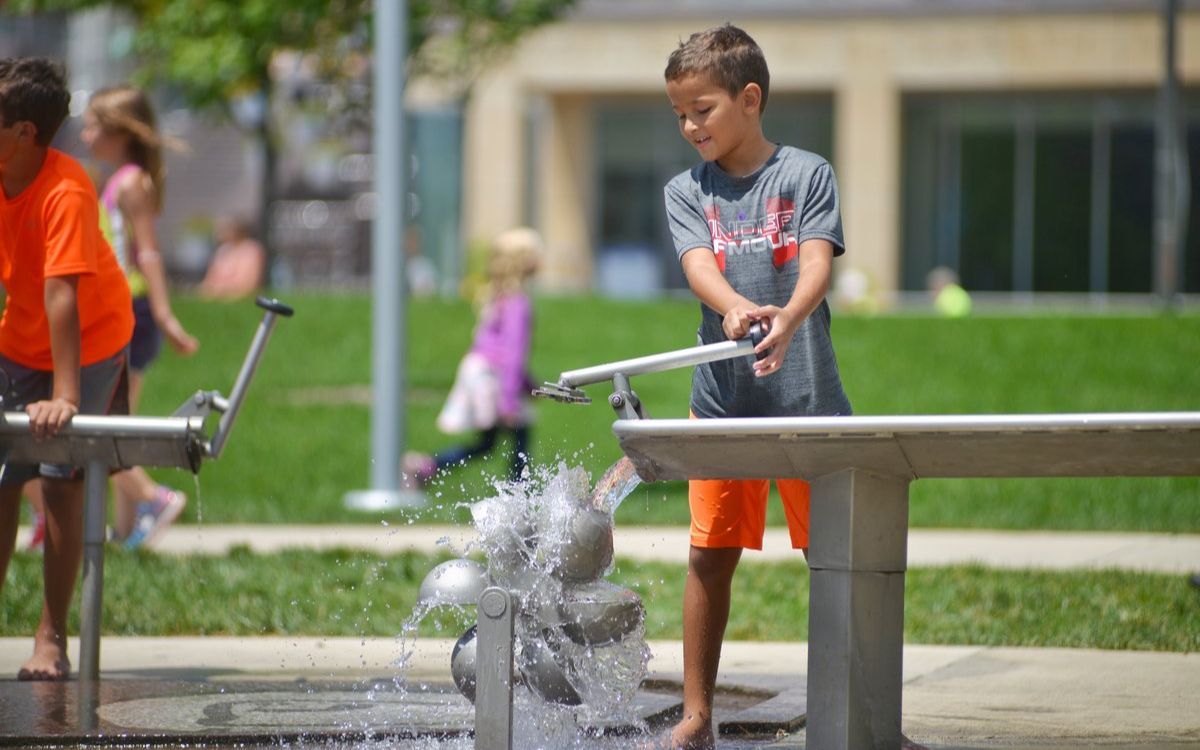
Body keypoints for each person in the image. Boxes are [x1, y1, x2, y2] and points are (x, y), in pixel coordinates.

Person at [662, 26, 855, 748]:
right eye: (680, 114)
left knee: (838, 561)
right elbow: (697, 264)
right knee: (710, 555)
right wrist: (732, 307)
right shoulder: (686, 190)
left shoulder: (806, 174)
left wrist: (788, 317)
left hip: (810, 404)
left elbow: (815, 265)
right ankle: (697, 714)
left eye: (702, 110)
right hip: (721, 406)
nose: (690, 127)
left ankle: (861, 714)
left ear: (750, 99)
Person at [0, 57, 135, 680]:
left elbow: (64, 295)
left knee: (60, 482)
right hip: (20, 337)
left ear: (24, 131)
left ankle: (51, 637)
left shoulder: (66, 187)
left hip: (93, 338)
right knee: (2, 477)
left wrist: (65, 396)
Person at [81, 85, 199, 548]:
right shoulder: (121, 179)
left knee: (100, 428)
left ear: (119, 132)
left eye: (93, 125)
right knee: (116, 422)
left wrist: (166, 316)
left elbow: (148, 252)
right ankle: (126, 531)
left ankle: (155, 498)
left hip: (131, 312)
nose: (86, 133)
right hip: (125, 309)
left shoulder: (130, 183)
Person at [403, 227, 540, 486]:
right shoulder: (518, 303)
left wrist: (527, 383)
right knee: (521, 434)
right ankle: (519, 496)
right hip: (494, 377)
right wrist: (510, 400)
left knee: (487, 444)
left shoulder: (496, 297)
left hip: (479, 371)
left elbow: (489, 344)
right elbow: (512, 354)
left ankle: (426, 466)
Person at [198, 215, 266, 300]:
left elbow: (247, 284)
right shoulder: (223, 250)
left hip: (237, 296)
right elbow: (210, 279)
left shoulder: (251, 250)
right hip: (219, 294)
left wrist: (221, 290)